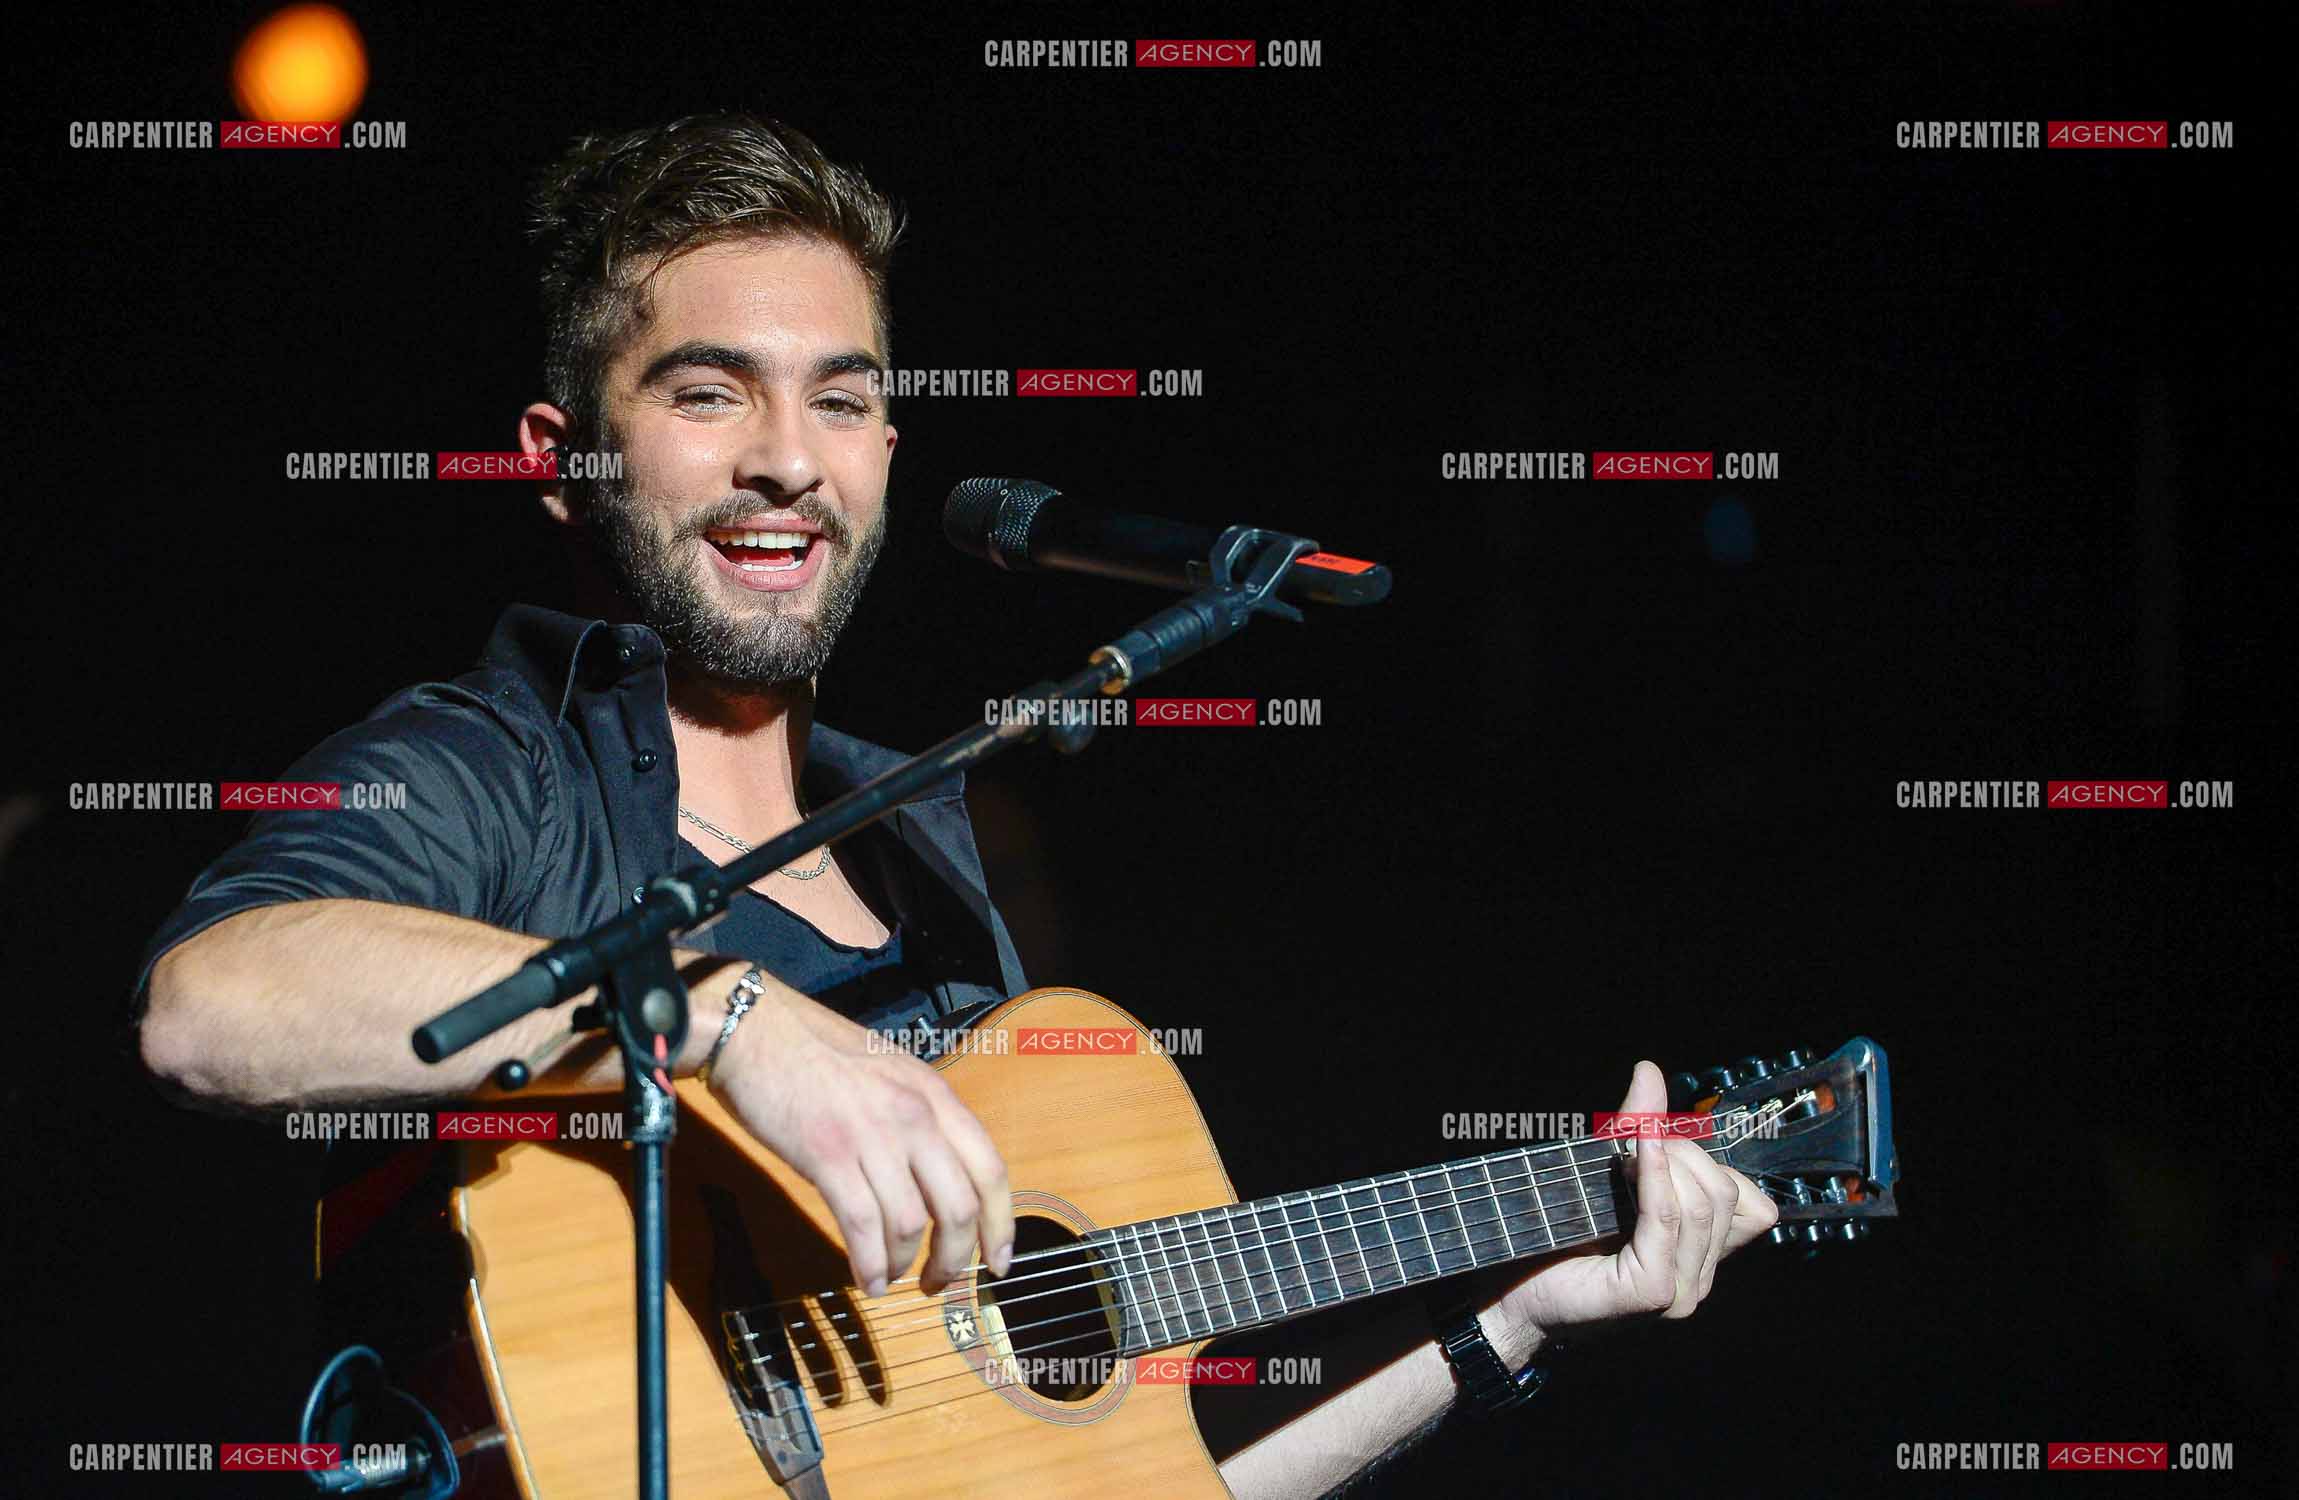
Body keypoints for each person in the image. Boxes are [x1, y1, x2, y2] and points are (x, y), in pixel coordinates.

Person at [135, 113, 1777, 1498]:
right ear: (564, 460)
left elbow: (1108, 1471)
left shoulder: (921, 844)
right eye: (712, 394)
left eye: (841, 401)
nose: (792, 458)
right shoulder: (497, 758)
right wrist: (725, 1021)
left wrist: (1516, 1319)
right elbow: (208, 1003)